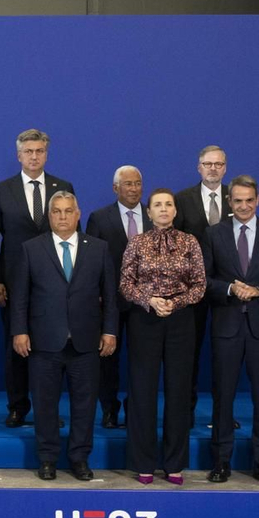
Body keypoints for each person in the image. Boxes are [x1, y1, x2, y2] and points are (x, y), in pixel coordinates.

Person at [11, 191, 117, 482]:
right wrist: (19, 331)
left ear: (78, 214)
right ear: (49, 215)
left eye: (68, 211)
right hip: (44, 340)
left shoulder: (99, 248)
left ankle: (80, 458)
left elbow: (109, 295)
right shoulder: (31, 248)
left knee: (85, 404)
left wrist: (109, 330)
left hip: (86, 341)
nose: (62, 216)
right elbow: (20, 296)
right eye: (56, 211)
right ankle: (47, 459)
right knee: (45, 404)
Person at [204, 175, 259, 486]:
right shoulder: (214, 233)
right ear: (230, 202)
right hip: (226, 327)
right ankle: (221, 462)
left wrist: (258, 291)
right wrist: (230, 288)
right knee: (223, 397)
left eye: (249, 200)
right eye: (238, 200)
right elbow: (204, 281)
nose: (243, 206)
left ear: (258, 201)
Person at [0, 129, 73, 428]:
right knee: (16, 348)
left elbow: (74, 235)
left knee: (54, 348)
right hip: (13, 284)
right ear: (19, 155)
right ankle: (18, 407)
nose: (34, 156)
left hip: (55, 284)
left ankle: (49, 408)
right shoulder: (1, 189)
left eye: (39, 151)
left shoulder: (63, 186)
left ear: (47, 154)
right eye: (29, 151)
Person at [118, 188, 205, 485]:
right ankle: (143, 461)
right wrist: (151, 300)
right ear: (149, 211)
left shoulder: (189, 241)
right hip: (145, 319)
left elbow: (199, 285)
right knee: (142, 391)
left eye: (169, 204)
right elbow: (126, 285)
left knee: (179, 391)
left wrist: (175, 302)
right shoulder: (137, 242)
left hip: (181, 320)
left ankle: (174, 463)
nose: (164, 209)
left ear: (175, 210)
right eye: (158, 205)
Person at [85, 166, 145, 430]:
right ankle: (109, 409)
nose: (133, 189)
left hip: (146, 304)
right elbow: (90, 261)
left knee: (143, 359)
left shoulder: (155, 215)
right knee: (107, 359)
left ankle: (137, 408)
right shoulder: (99, 218)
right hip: (110, 301)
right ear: (115, 188)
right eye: (127, 184)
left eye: (137, 183)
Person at [173, 145, 230, 410]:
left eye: (218, 164)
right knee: (188, 352)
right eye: (208, 164)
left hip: (228, 288)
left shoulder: (237, 197)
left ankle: (223, 413)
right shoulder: (182, 199)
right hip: (190, 288)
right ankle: (186, 409)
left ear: (225, 168)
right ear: (199, 167)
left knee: (226, 353)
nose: (213, 169)